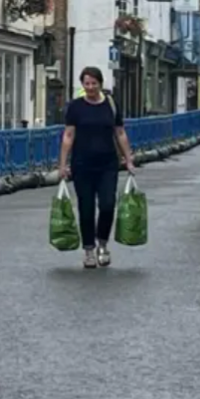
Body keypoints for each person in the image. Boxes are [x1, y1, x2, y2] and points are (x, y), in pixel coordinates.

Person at [57, 67, 138, 269]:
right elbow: (68, 135)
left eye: (94, 83)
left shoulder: (110, 105)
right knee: (86, 209)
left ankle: (103, 245)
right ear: (82, 85)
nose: (91, 87)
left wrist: (128, 159)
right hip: (82, 164)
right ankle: (89, 250)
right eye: (87, 84)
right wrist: (62, 164)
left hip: (108, 164)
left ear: (100, 84)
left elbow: (120, 133)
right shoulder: (75, 107)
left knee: (108, 205)